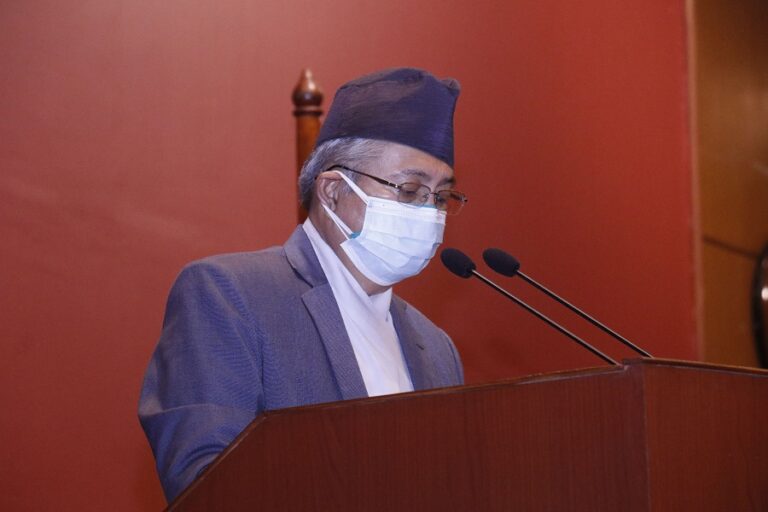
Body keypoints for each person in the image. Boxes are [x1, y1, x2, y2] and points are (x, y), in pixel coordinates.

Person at [138, 67, 467, 502]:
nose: (429, 213)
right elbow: (208, 484)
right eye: (409, 191)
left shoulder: (437, 347)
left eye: (440, 197)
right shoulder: (230, 296)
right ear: (332, 191)